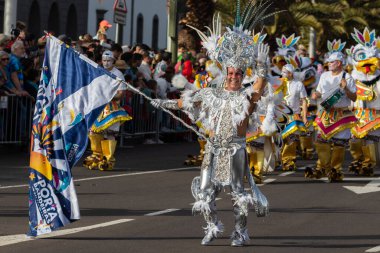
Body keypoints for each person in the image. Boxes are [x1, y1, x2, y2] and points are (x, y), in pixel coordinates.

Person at [150, 10, 271, 245]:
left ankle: (240, 232)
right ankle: (213, 226)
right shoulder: (211, 94)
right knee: (204, 192)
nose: (234, 76)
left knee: (238, 194)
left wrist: (261, 66)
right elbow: (185, 102)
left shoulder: (247, 97)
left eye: (238, 73)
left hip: (235, 150)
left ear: (242, 75)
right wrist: (162, 102)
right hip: (213, 148)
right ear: (225, 74)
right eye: (231, 73)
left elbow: (259, 86)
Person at [308, 52, 357, 182]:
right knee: (320, 141)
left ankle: (335, 170)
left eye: (331, 62)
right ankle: (324, 167)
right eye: (328, 62)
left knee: (339, 144)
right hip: (326, 112)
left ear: (339, 63)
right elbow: (319, 91)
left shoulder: (348, 77)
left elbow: (354, 97)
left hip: (342, 113)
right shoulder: (324, 75)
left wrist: (346, 89)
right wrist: (315, 95)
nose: (329, 64)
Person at [83, 50, 132, 171]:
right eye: (104, 60)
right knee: (93, 132)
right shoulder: (98, 71)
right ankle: (97, 156)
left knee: (110, 133)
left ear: (113, 61)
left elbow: (121, 94)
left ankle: (108, 159)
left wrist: (107, 96)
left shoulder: (118, 74)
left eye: (108, 61)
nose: (106, 63)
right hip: (97, 107)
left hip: (111, 108)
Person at [280, 64, 308, 171]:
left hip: (293, 114)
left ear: (290, 73)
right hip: (279, 116)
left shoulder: (298, 84)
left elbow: (304, 101)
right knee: (280, 140)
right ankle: (280, 159)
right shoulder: (279, 83)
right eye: (282, 71)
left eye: (284, 72)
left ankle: (289, 161)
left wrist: (304, 116)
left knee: (291, 139)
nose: (282, 73)